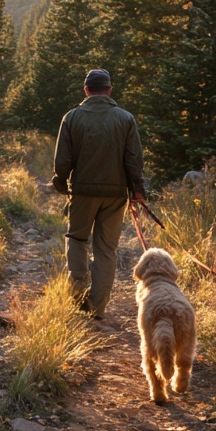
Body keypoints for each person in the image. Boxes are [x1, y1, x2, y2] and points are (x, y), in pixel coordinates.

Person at [51, 69, 146, 319]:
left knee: (77, 239)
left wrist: (61, 183)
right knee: (105, 250)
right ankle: (97, 307)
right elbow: (133, 158)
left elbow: (63, 160)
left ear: (86, 91)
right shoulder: (125, 118)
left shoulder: (71, 117)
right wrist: (137, 189)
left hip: (82, 191)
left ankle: (78, 294)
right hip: (116, 195)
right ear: (109, 91)